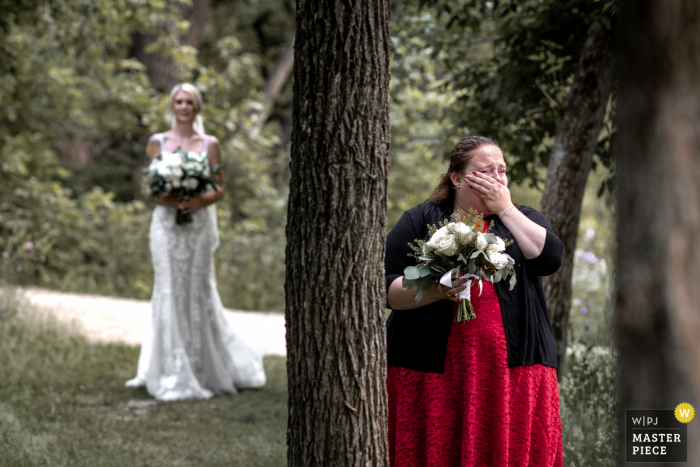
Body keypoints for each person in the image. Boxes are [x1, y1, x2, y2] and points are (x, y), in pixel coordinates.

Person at [385, 136, 564, 466]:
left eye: (502, 171)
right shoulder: (421, 219)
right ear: (456, 179)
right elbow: (387, 289)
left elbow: (549, 257)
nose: (497, 177)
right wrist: (438, 287)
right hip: (432, 372)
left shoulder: (522, 217)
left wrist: (505, 208)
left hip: (512, 374)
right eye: (486, 170)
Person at [126, 83, 266, 401]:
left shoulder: (209, 144)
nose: (184, 106)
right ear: (172, 106)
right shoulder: (157, 142)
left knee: (196, 288)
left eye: (189, 101)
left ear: (197, 107)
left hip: (197, 226)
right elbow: (147, 187)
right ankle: (166, 368)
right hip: (165, 225)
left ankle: (203, 366)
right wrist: (168, 194)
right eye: (179, 101)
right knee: (167, 288)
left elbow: (219, 187)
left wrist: (199, 203)